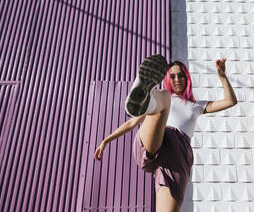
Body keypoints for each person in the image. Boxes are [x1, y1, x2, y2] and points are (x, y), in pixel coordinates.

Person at [94, 54, 238, 211]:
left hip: (175, 158)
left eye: (181, 76)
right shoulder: (165, 98)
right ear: (167, 79)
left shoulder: (196, 106)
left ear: (187, 79)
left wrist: (222, 76)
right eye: (173, 76)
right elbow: (132, 122)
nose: (177, 79)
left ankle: (146, 98)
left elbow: (230, 101)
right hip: (155, 138)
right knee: (162, 96)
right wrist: (106, 140)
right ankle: (144, 97)